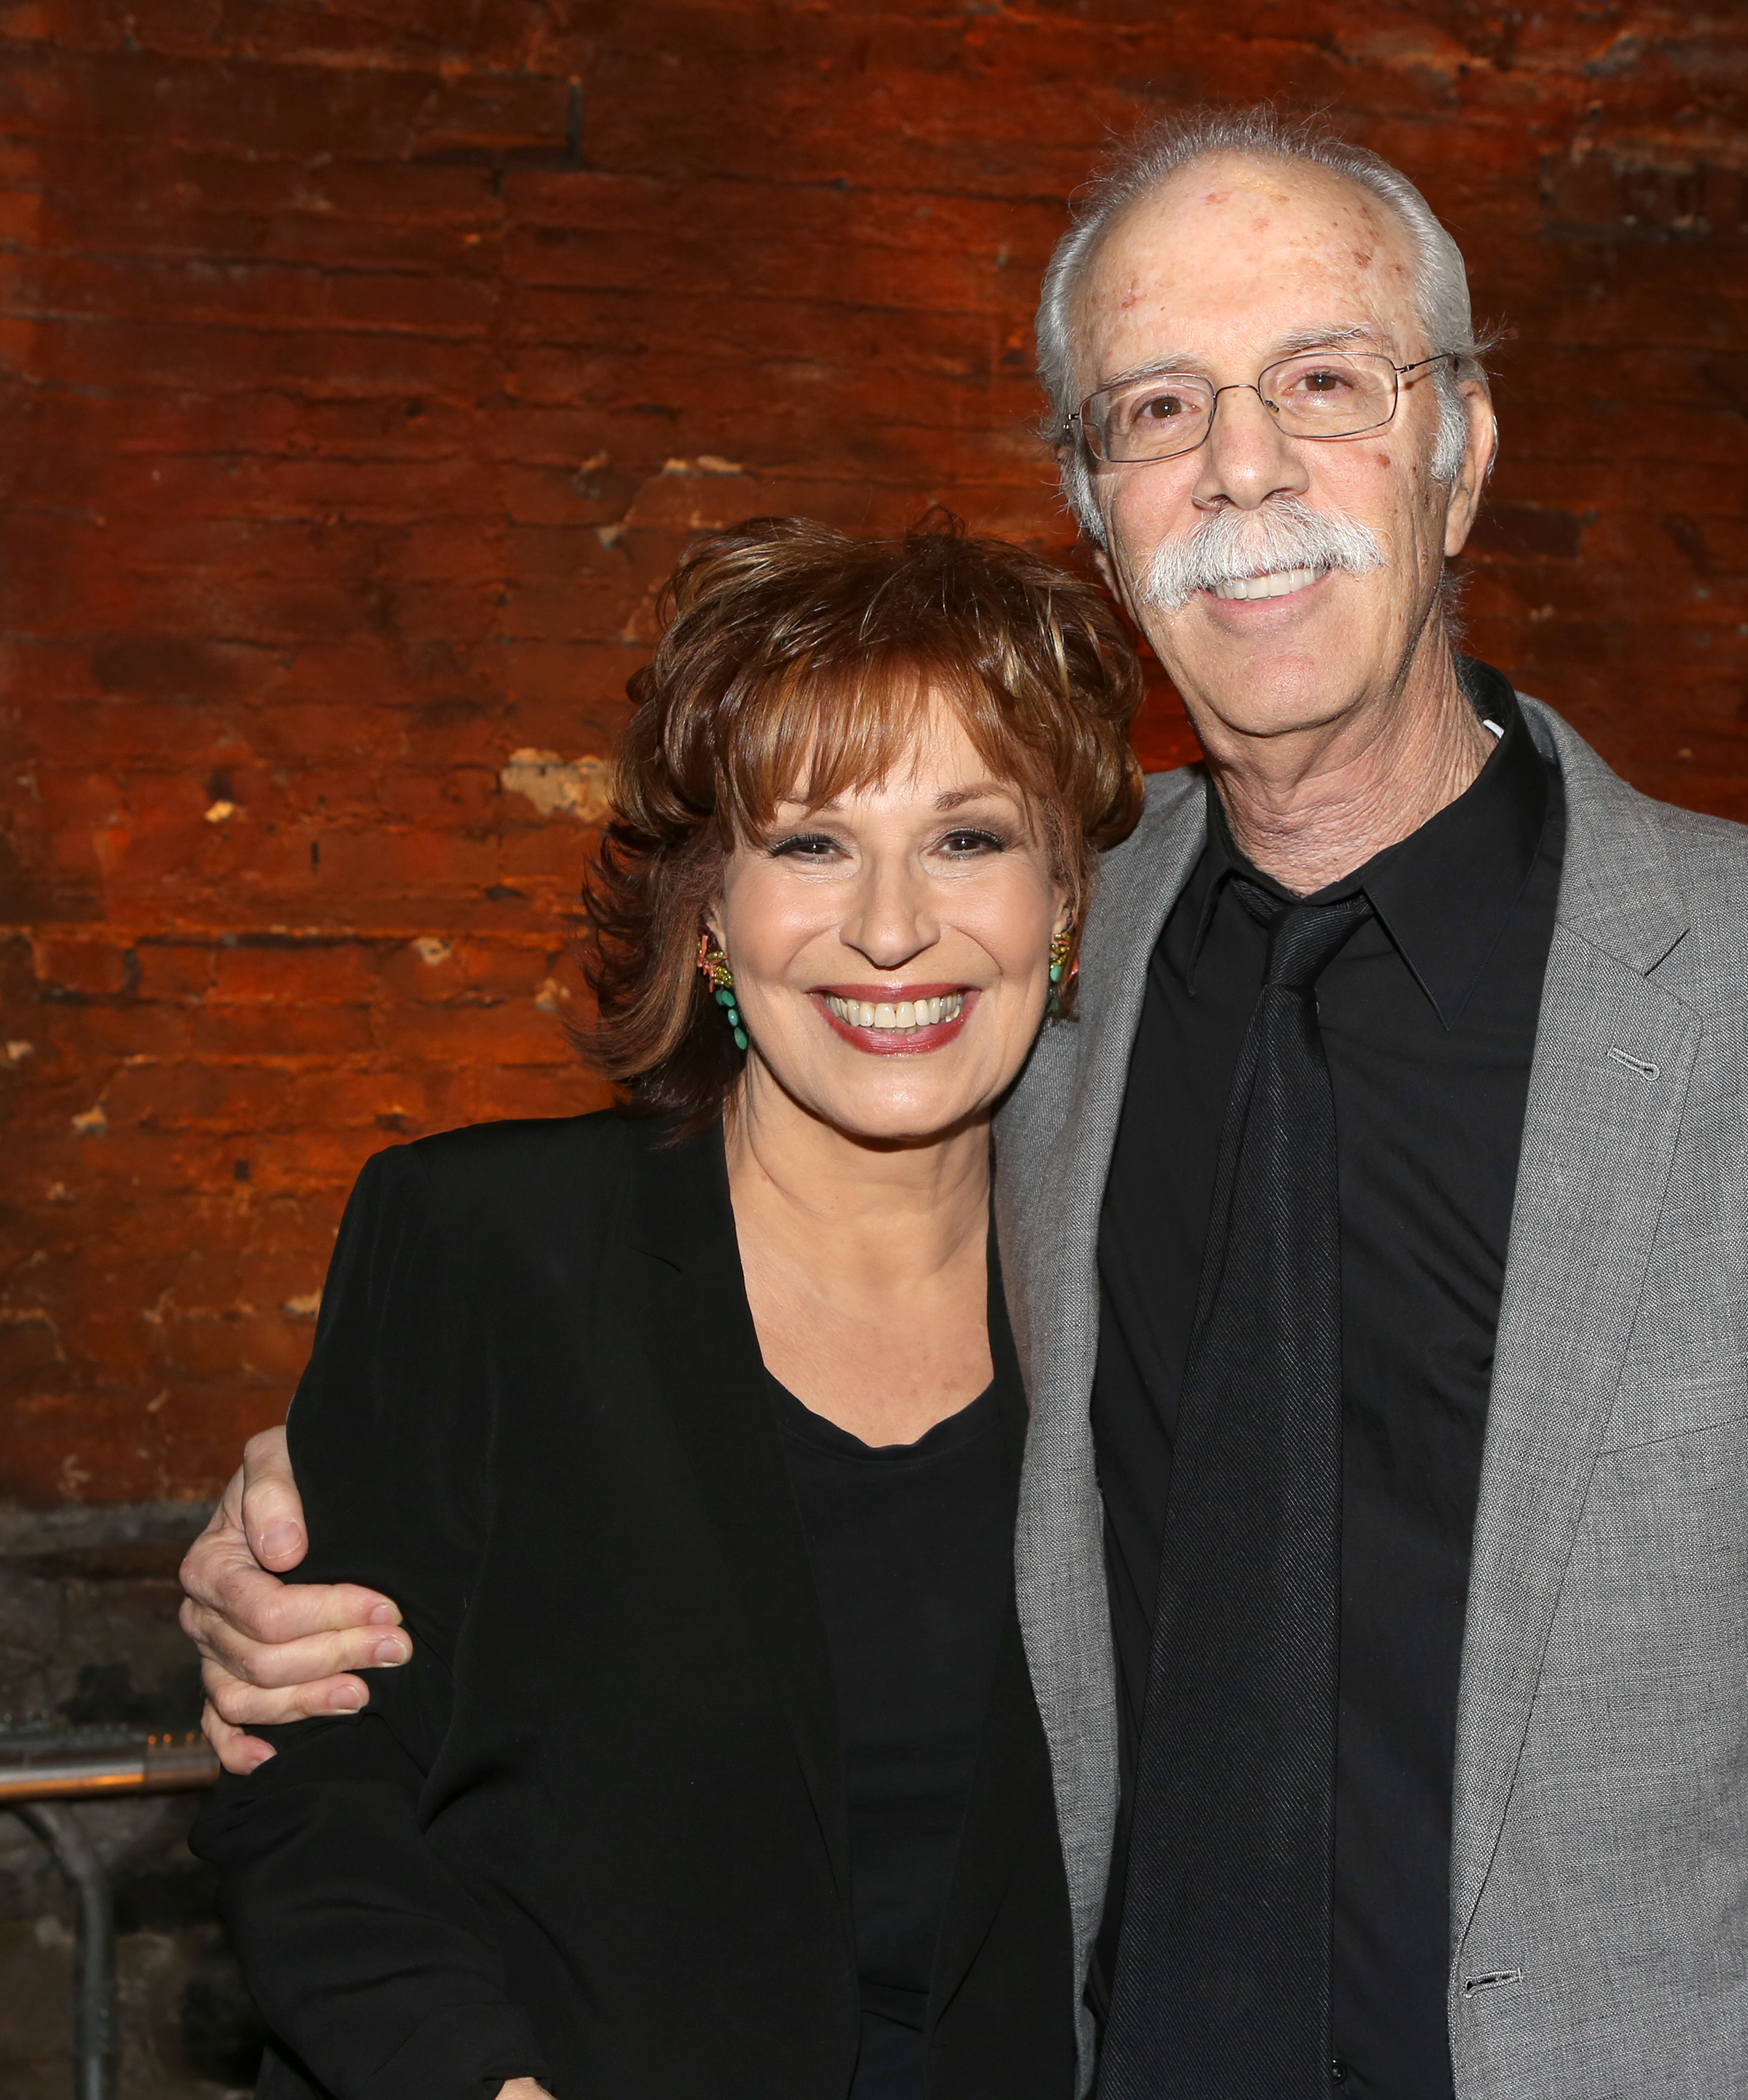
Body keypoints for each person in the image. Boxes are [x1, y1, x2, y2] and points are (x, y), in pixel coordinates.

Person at [174, 102, 1748, 2100]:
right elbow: (683, 1369)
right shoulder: (1028, 968)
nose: (1246, 465)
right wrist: (291, 1523)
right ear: (1100, 515)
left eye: (1325, 384)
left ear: (1464, 450)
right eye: (1160, 408)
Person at [189, 518, 1148, 2099]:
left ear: (1063, 907)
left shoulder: (1147, 1306)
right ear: (712, 912)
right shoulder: (489, 1244)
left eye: (969, 839)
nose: (892, 926)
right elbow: (317, 1789)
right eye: (813, 844)